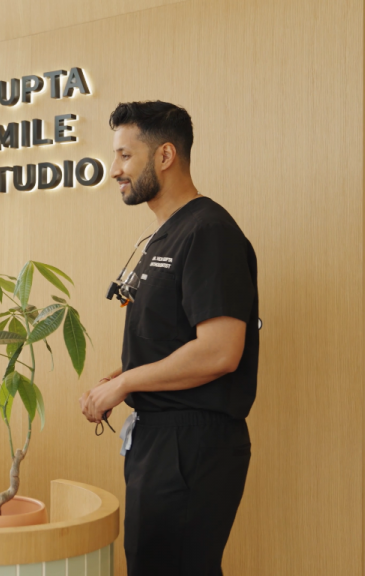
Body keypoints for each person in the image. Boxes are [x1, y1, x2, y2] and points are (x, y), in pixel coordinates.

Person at [79, 101, 259, 576]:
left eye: (124, 156)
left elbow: (221, 351)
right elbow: (175, 338)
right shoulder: (163, 236)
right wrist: (125, 375)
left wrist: (124, 384)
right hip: (161, 440)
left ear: (164, 156)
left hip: (192, 445)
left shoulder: (209, 232)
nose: (113, 171)